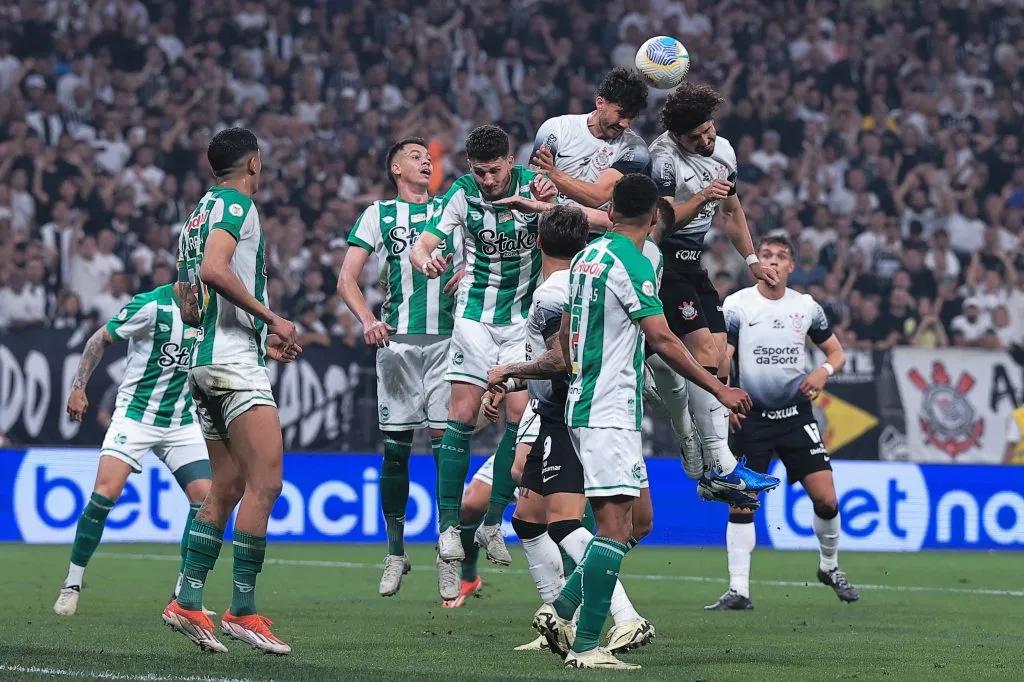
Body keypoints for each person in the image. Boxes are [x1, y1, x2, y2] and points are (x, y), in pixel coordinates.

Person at [533, 174, 752, 670]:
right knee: (613, 529)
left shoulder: (589, 255)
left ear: (610, 212)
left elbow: (568, 328)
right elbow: (664, 339)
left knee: (633, 521)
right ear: (654, 216)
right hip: (606, 409)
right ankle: (587, 648)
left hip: (594, 405)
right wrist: (720, 387)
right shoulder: (631, 263)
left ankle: (562, 608)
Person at [485, 203, 655, 655]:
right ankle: (557, 624)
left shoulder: (553, 292)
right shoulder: (592, 274)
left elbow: (560, 362)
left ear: (538, 243)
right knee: (526, 519)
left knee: (569, 524)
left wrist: (509, 372)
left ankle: (621, 616)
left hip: (569, 414)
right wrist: (513, 380)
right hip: (582, 410)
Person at [165, 127, 301, 654]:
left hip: (203, 363)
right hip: (230, 366)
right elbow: (213, 270)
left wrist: (257, 339)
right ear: (254, 163)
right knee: (266, 485)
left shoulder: (197, 212)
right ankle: (242, 611)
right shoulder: (236, 206)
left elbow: (187, 295)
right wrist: (273, 319)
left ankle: (187, 599)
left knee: (226, 485)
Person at [409, 125, 555, 600]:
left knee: (516, 418)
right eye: (479, 172)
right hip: (473, 315)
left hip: (523, 323)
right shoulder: (462, 194)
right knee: (463, 416)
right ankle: (449, 528)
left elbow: (572, 231)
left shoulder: (537, 185)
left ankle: (493, 521)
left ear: (510, 162)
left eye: (494, 171)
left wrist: (550, 203)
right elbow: (424, 244)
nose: (488, 180)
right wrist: (425, 259)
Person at [337, 137, 463, 597]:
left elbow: (479, 262)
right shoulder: (378, 214)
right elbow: (346, 277)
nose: (426, 160)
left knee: (446, 445)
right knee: (396, 452)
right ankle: (395, 551)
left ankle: (448, 548)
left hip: (450, 342)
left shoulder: (452, 206)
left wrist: (465, 273)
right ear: (394, 169)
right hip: (398, 346)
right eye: (415, 156)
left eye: (428, 157)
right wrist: (367, 319)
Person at [706, 235, 859, 611]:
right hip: (751, 417)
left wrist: (823, 371)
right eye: (767, 256)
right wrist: (724, 398)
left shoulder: (806, 307)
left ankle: (829, 566)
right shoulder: (738, 304)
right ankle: (738, 590)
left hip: (795, 416)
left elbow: (836, 352)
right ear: (757, 263)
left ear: (792, 266)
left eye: (781, 257)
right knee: (742, 502)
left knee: (826, 499)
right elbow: (724, 356)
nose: (772, 262)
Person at [649, 81, 781, 505]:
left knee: (723, 356)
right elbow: (662, 221)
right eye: (697, 137)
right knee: (704, 353)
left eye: (709, 130)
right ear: (678, 136)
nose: (707, 141)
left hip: (693, 262)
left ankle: (708, 464)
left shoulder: (723, 151)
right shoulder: (663, 159)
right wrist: (703, 194)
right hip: (662, 259)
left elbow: (732, 208)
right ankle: (718, 463)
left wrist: (752, 259)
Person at [52, 284, 212, 618]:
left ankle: (183, 595)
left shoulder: (212, 309)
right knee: (105, 494)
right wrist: (78, 388)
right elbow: (99, 339)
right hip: (135, 417)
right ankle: (72, 584)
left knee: (206, 501)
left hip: (180, 422)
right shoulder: (152, 306)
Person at [530, 67, 651, 213]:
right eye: (621, 114)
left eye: (631, 117)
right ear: (600, 103)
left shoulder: (635, 149)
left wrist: (553, 173)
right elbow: (533, 180)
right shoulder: (556, 129)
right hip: (551, 224)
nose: (625, 123)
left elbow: (597, 197)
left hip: (598, 232)